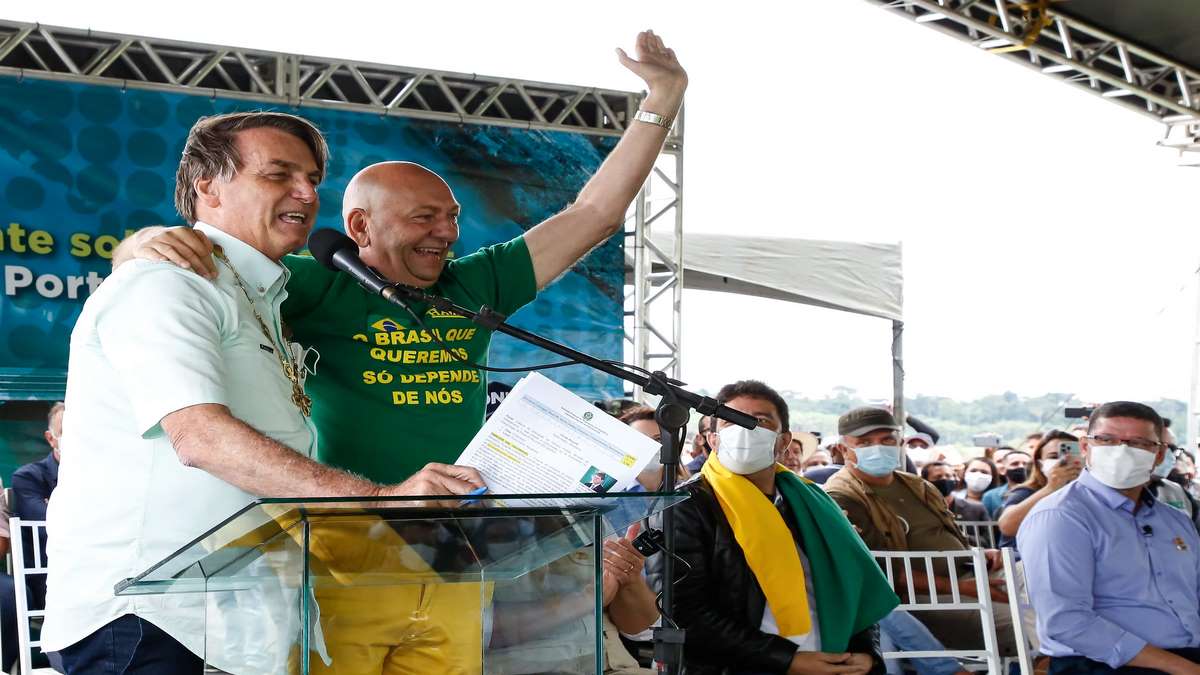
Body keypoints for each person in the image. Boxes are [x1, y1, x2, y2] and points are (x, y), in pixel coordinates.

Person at [119, 30, 688, 487]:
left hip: (456, 532)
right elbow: (193, 267)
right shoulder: (312, 281)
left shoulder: (476, 283)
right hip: (346, 534)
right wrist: (135, 246)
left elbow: (593, 215)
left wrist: (662, 100)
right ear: (360, 226)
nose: (446, 233)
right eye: (424, 218)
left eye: (453, 217)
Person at [42, 111, 489, 674]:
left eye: (311, 179)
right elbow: (199, 437)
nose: (305, 192)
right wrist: (380, 500)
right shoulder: (167, 283)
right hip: (150, 618)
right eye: (278, 174)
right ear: (208, 186)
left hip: (237, 621)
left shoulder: (265, 299)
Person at [651, 381, 894, 675]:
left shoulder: (814, 505)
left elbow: (854, 587)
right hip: (747, 666)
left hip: (833, 658)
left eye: (760, 421)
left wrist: (867, 653)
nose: (744, 429)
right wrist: (788, 661)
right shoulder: (685, 506)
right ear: (712, 440)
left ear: (783, 440)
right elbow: (684, 613)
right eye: (731, 421)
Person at [1017, 401, 1200, 675]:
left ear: (1159, 455)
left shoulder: (1174, 521)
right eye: (1106, 440)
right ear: (1086, 447)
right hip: (1101, 664)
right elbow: (1066, 621)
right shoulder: (1060, 517)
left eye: (1138, 443)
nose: (1121, 452)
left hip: (1183, 656)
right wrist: (1184, 669)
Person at [825, 407, 1016, 657]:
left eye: (887, 440)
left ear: (900, 443)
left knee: (1050, 591)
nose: (878, 448)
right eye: (864, 442)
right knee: (1021, 619)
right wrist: (963, 588)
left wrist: (978, 552)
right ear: (842, 449)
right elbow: (877, 570)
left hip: (971, 572)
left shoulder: (917, 485)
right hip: (923, 599)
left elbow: (946, 534)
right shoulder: (843, 496)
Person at [12, 401, 62, 607]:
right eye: (66, 431)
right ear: (50, 438)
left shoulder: (101, 477)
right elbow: (48, 529)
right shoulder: (28, 477)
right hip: (48, 572)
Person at [996, 431, 1082, 549]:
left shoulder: (1086, 492)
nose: (1062, 461)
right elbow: (1007, 526)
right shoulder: (1025, 492)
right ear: (1040, 463)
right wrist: (1051, 488)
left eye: (1072, 455)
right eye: (1053, 457)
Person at [922, 462, 987, 523]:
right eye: (938, 477)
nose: (944, 479)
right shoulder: (919, 509)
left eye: (948, 476)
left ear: (955, 479)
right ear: (925, 481)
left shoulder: (976, 509)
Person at [982, 450, 1032, 518]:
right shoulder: (990, 496)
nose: (1021, 467)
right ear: (1003, 470)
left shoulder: (1041, 493)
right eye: (1015, 464)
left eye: (1025, 464)